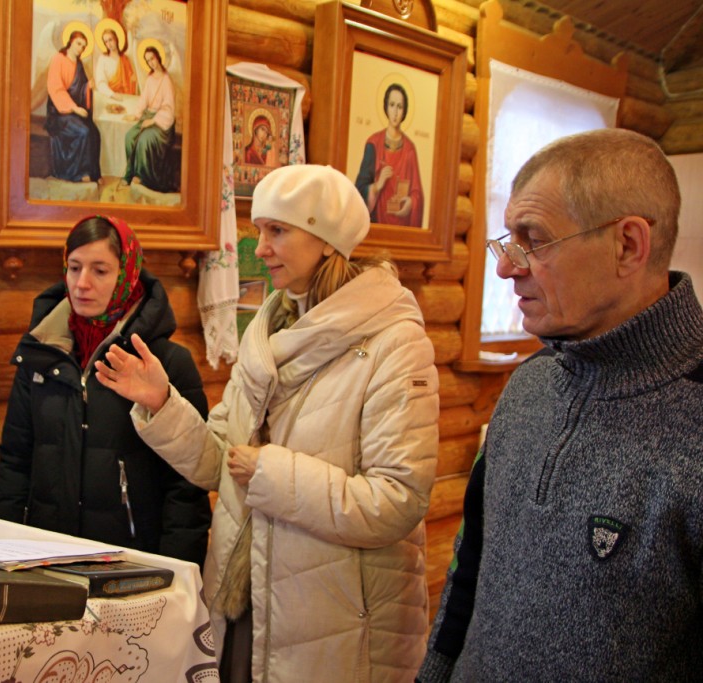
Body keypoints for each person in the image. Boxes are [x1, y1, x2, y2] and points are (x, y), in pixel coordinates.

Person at [97, 165, 439, 682]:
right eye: (259, 230)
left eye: (277, 230)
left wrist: (270, 475)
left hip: (333, 621)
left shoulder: (394, 343)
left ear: (326, 240)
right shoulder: (269, 330)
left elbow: (397, 501)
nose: (260, 249)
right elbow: (221, 463)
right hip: (247, 603)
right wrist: (163, 403)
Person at [419, 129, 703, 682]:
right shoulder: (528, 385)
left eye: (535, 240)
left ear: (628, 245)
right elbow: (471, 562)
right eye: (509, 240)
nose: (506, 268)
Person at [0, 215, 211, 567]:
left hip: (133, 562)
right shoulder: (41, 352)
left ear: (127, 275)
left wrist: (178, 570)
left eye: (100, 271)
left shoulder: (166, 363)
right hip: (44, 556)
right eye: (74, 267)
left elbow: (185, 488)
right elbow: (15, 462)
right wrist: (4, 550)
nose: (82, 283)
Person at [355, 83, 424, 227]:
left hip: (402, 227)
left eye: (400, 107)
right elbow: (358, 190)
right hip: (376, 223)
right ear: (386, 107)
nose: (395, 112)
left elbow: (417, 193)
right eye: (392, 105)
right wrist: (377, 186)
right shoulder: (373, 144)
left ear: (404, 111)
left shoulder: (410, 150)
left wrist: (410, 203)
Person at [45, 30, 102, 183]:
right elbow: (56, 88)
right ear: (70, 42)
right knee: (84, 131)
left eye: (83, 46)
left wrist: (88, 86)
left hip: (75, 111)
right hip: (59, 112)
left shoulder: (79, 64)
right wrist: (74, 108)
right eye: (78, 44)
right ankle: (78, 173)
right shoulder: (58, 59)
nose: (80, 48)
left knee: (94, 132)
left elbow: (81, 89)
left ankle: (94, 173)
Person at [121, 45, 178, 192]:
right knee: (129, 137)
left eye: (152, 59)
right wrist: (136, 114)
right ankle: (131, 172)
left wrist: (152, 121)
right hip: (147, 117)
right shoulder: (150, 78)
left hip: (162, 123)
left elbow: (169, 109)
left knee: (144, 140)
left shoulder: (166, 80)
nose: (151, 63)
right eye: (148, 61)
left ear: (158, 57)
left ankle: (143, 176)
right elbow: (144, 99)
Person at [94, 27, 137, 99]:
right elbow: (100, 82)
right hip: (109, 97)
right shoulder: (103, 59)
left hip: (126, 96)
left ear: (116, 39)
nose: (109, 44)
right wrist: (112, 94)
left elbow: (131, 80)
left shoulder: (125, 59)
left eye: (110, 40)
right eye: (106, 42)